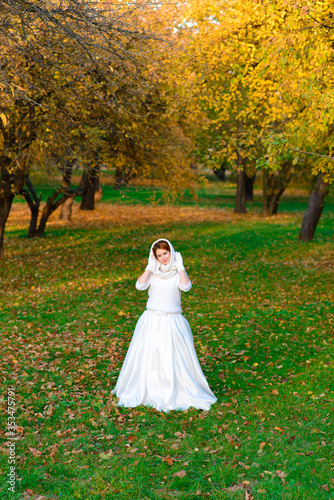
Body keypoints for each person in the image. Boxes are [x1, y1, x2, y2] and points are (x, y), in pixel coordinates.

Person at [111, 238, 217, 412]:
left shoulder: (177, 273)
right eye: (159, 255)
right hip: (152, 319)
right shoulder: (153, 273)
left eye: (165, 253)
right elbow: (139, 286)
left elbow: (186, 287)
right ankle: (150, 388)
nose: (163, 258)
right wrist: (148, 267)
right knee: (150, 356)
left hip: (172, 321)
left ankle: (175, 389)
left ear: (171, 252)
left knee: (175, 357)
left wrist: (181, 267)